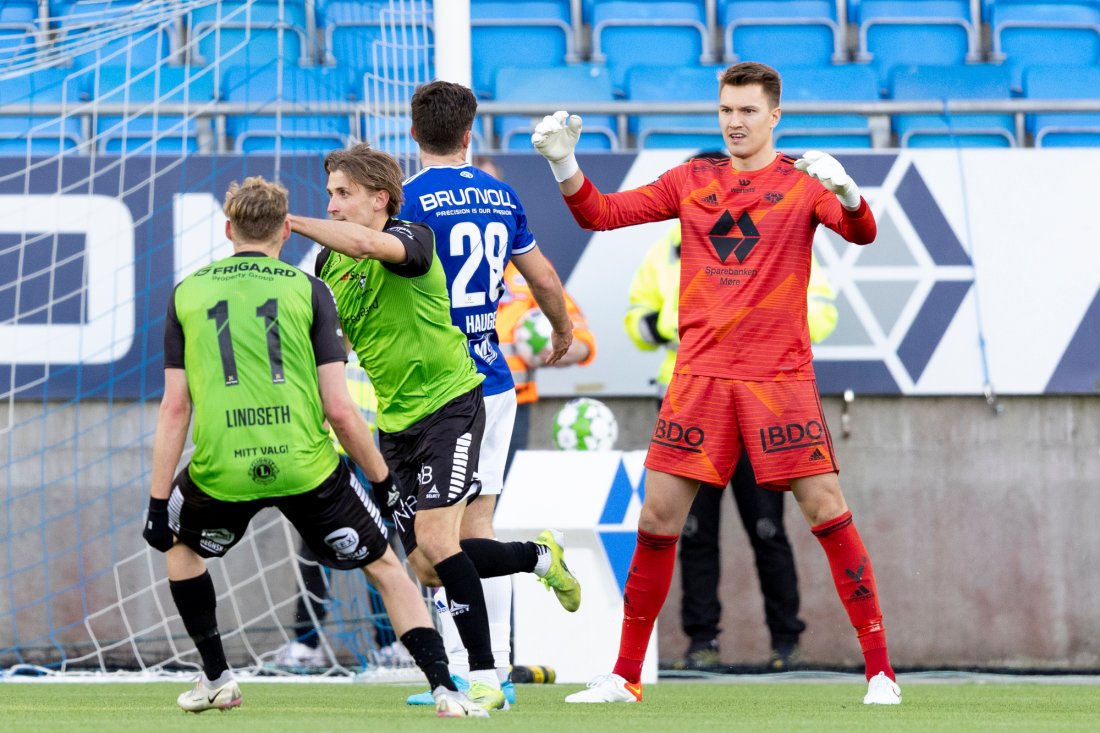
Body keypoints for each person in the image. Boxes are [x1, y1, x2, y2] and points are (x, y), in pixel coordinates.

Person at [531, 61, 902, 705]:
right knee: (657, 518)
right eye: (727, 110)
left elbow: (862, 232)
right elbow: (600, 214)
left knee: (825, 509)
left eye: (748, 111)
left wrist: (848, 194)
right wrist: (565, 165)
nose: (735, 122)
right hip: (698, 378)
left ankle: (880, 673)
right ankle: (623, 676)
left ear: (774, 116)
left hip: (776, 382)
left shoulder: (802, 184)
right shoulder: (690, 180)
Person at [142, 175, 486, 717]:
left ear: (228, 228)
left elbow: (174, 409)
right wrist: (382, 484)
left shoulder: (187, 292)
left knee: (180, 549)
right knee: (388, 568)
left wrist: (159, 502)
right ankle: (445, 689)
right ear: (285, 231)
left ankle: (216, 677)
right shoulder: (310, 288)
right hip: (308, 465)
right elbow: (340, 409)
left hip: (222, 468)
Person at [287, 144, 582, 712]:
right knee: (425, 564)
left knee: (441, 542)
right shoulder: (329, 264)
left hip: (452, 402)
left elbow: (374, 245)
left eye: (343, 194)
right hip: (395, 421)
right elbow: (344, 343)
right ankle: (539, 556)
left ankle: (484, 679)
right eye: (328, 195)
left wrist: (293, 220)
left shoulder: (412, 237)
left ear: (380, 198)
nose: (333, 205)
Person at [396, 84, 587, 707]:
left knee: (443, 539)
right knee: (474, 527)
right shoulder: (500, 195)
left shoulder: (407, 199)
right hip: (496, 379)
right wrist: (560, 329)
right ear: (470, 133)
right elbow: (543, 276)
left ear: (415, 133)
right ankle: (494, 665)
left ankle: (464, 668)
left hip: (441, 386)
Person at [627, 210, 838, 672]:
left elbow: (822, 312)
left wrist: (762, 321)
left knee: (768, 529)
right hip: (693, 402)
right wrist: (678, 322)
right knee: (694, 532)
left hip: (763, 400)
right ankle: (702, 644)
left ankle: (787, 643)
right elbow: (636, 318)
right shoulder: (669, 244)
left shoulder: (779, 233)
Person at [272, 359, 411, 671]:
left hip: (366, 447)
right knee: (316, 548)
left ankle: (388, 643)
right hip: (327, 452)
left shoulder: (366, 323)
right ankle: (307, 643)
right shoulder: (319, 322)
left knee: (379, 546)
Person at [476, 157, 599, 476]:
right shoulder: (438, 255)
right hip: (458, 403)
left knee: (499, 500)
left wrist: (573, 347)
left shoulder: (526, 261)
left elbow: (575, 324)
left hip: (514, 405)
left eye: (492, 188)